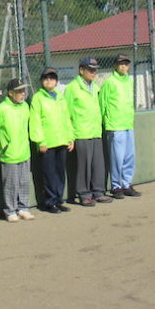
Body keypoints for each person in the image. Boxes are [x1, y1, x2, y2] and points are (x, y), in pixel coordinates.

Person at [64, 56, 113, 206]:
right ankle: (84, 194)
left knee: (98, 164)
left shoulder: (96, 87)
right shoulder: (72, 88)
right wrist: (70, 136)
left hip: (95, 132)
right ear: (81, 70)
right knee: (83, 166)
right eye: (90, 70)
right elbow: (66, 113)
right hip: (81, 133)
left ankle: (98, 192)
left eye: (95, 70)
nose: (93, 72)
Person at [30, 67, 74, 214]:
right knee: (49, 174)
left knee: (60, 173)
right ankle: (50, 202)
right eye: (46, 78)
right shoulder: (38, 98)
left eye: (52, 78)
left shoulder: (60, 97)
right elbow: (35, 121)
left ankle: (59, 200)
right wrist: (40, 141)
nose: (49, 81)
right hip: (47, 143)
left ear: (56, 81)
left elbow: (66, 118)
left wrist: (70, 138)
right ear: (41, 81)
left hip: (62, 140)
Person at [100, 53, 141, 199]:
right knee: (117, 157)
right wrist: (105, 122)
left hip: (128, 123)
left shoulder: (129, 81)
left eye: (126, 64)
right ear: (115, 66)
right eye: (121, 63)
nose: (123, 66)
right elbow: (102, 103)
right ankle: (116, 186)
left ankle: (126, 184)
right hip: (115, 125)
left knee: (129, 157)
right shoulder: (110, 82)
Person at [0, 78, 35, 222]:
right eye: (19, 91)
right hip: (9, 153)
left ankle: (23, 208)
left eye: (23, 90)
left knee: (24, 182)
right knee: (10, 184)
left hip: (24, 151)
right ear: (10, 93)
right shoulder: (1, 109)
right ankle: (10, 210)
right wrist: (0, 146)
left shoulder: (25, 107)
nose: (22, 94)